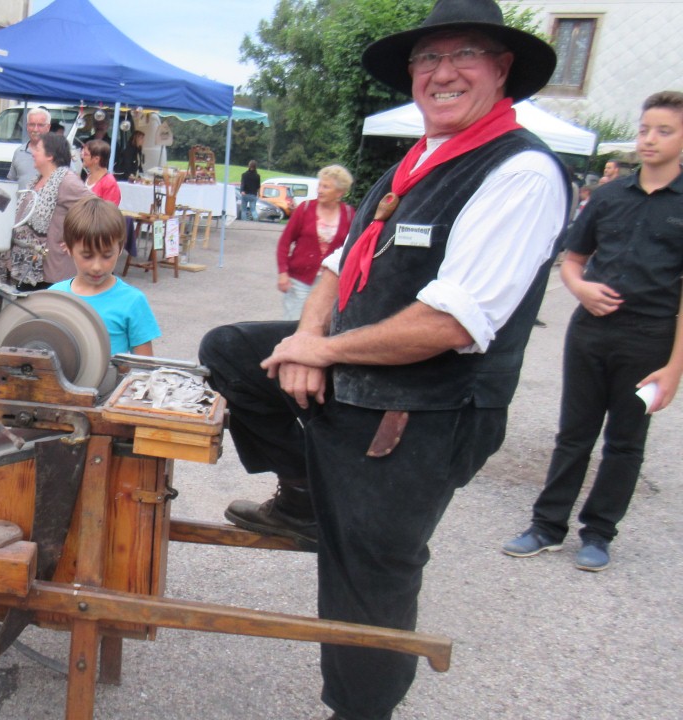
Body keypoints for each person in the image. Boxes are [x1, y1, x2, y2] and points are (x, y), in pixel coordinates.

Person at [196, 2, 569, 718]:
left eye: (465, 54)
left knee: (367, 573)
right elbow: (337, 265)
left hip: (425, 413)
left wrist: (323, 350)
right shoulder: (416, 161)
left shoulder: (521, 172)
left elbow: (451, 322)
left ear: (502, 70)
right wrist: (307, 340)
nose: (442, 72)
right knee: (236, 353)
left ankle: (360, 710)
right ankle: (305, 497)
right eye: (427, 59)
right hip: (355, 376)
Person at [502, 91, 683, 573]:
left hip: (650, 339)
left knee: (626, 440)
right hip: (590, 334)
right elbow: (573, 261)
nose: (649, 139)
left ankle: (599, 534)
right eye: (645, 128)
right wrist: (580, 289)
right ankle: (546, 526)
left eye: (664, 131)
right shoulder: (606, 197)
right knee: (573, 434)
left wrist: (674, 367)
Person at [51, 196, 160, 355]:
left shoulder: (133, 301)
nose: (97, 267)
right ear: (68, 248)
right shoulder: (55, 296)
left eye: (107, 256)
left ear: (121, 248)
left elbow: (145, 367)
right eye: (87, 256)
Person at [0, 132, 90, 291]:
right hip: (26, 265)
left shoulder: (67, 181)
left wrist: (76, 239)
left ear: (50, 155)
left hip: (51, 270)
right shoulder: (37, 180)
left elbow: (97, 209)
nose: (33, 152)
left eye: (37, 149)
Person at [275, 165, 356, 320]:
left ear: (339, 192)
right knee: (292, 324)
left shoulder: (349, 214)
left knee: (321, 325)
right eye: (319, 185)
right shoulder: (305, 209)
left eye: (326, 187)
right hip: (299, 281)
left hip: (329, 283)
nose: (319, 190)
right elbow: (284, 243)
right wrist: (283, 273)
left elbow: (352, 249)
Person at [7, 107, 51, 192]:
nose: (35, 129)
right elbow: (11, 183)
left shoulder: (58, 152)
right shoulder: (19, 152)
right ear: (27, 126)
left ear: (48, 127)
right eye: (32, 124)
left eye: (40, 125)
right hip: (22, 204)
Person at [81, 140, 121, 204]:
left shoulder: (109, 183)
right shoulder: (90, 176)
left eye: (85, 154)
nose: (82, 156)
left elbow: (109, 210)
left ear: (96, 159)